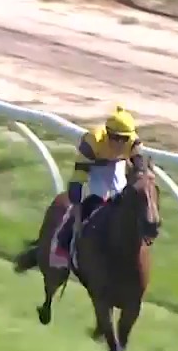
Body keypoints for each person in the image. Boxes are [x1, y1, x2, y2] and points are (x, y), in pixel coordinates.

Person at [54, 105, 141, 263]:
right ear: (108, 134)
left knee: (123, 199)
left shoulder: (134, 143)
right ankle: (64, 239)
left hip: (118, 164)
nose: (121, 143)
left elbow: (139, 169)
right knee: (99, 197)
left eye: (125, 139)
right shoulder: (93, 141)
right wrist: (76, 198)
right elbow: (79, 174)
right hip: (95, 166)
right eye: (116, 138)